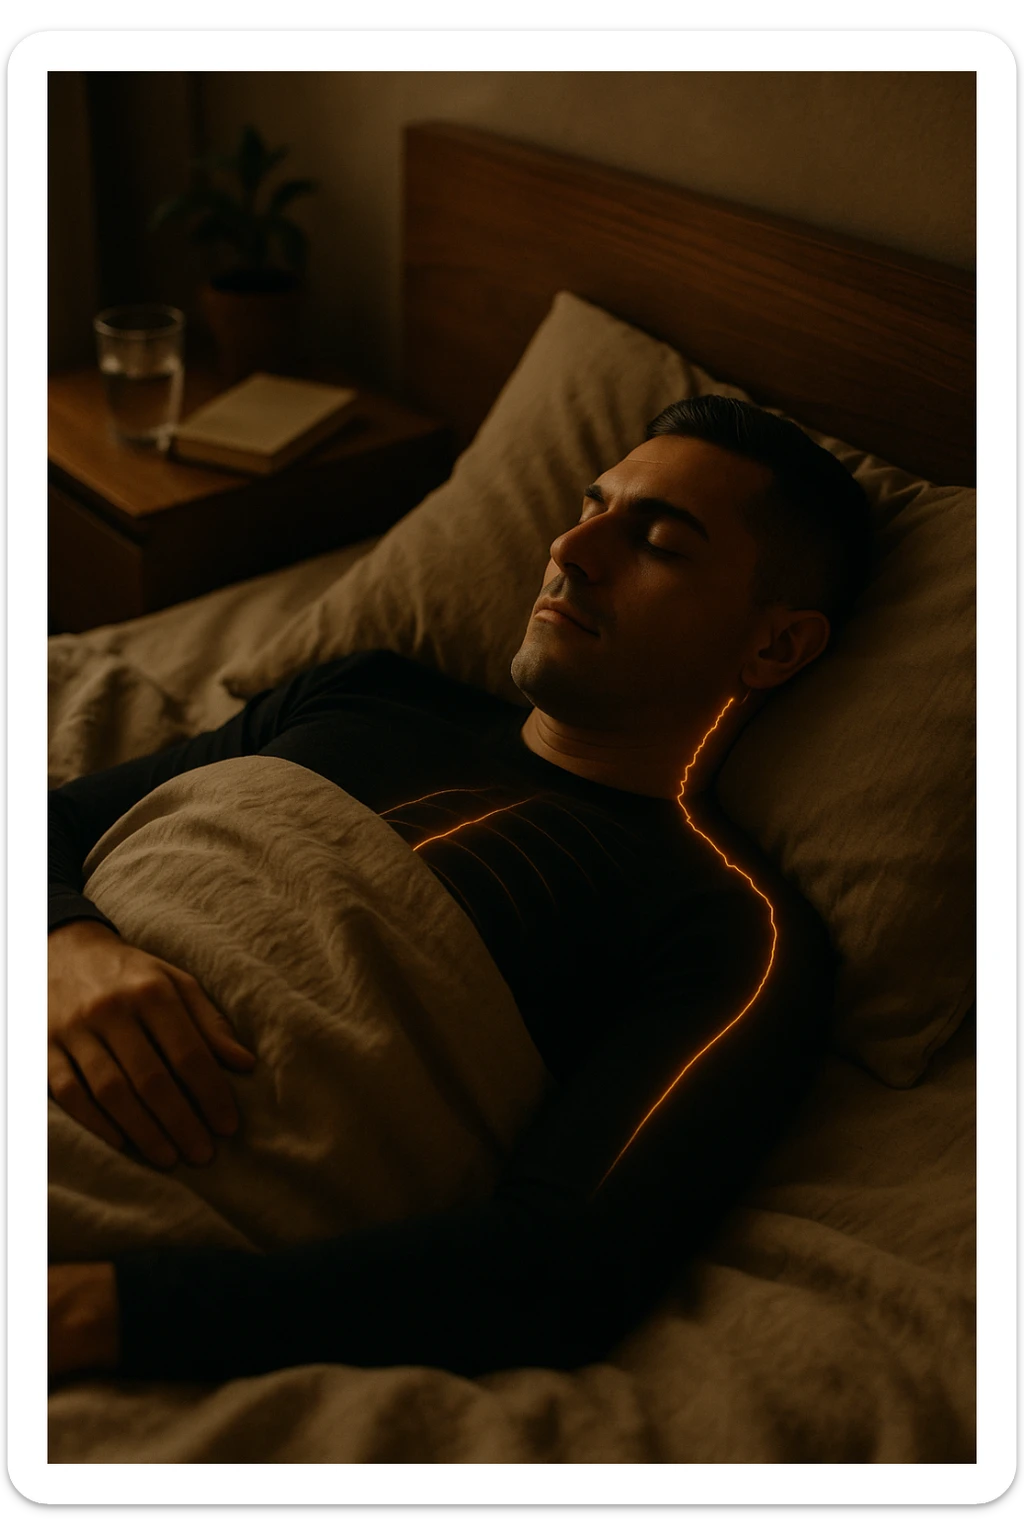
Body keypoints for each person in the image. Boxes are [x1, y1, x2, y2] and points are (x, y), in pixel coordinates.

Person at [47, 396, 873, 1382]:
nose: (572, 547)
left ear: (775, 645)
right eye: (588, 505)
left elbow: (561, 1264)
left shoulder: (730, 930)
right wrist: (66, 942)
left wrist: (104, 1312)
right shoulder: (360, 691)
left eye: (656, 542)